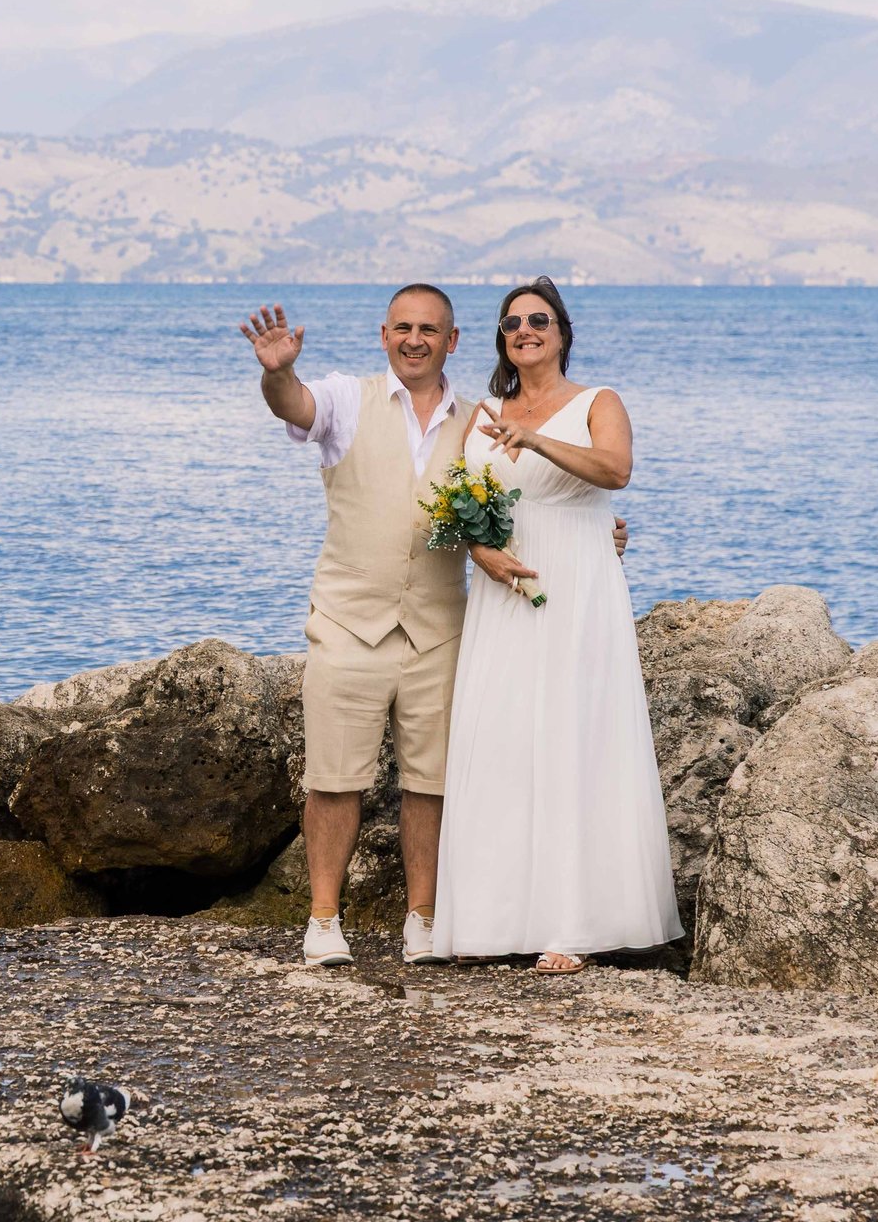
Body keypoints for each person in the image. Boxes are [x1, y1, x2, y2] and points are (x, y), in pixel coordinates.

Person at [242, 286, 627, 968]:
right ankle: (324, 920)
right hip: (348, 619)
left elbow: (516, 500)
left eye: (430, 329)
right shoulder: (344, 397)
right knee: (334, 776)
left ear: (452, 341)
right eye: (403, 328)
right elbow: (294, 406)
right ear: (383, 334)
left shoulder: (476, 418)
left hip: (441, 623)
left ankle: (423, 919)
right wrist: (277, 372)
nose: (414, 338)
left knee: (433, 780)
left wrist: (595, 533)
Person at [430, 277, 682, 974]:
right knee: (503, 738)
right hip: (502, 588)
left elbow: (615, 470)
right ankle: (488, 917)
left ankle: (572, 925)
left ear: (563, 331)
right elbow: (456, 501)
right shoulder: (482, 410)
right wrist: (480, 550)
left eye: (538, 319)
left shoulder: (599, 401)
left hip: (576, 582)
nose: (524, 329)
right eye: (511, 322)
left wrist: (536, 440)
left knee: (576, 738)